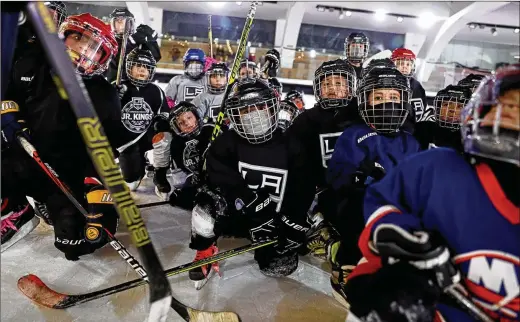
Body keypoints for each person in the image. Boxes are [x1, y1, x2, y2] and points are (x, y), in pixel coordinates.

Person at [344, 64, 519, 322]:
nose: (507, 113)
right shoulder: (437, 167)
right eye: (503, 105)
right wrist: (398, 232)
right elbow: (383, 201)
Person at [1, 13, 123, 259]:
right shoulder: (33, 64)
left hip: (67, 174)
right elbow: (8, 93)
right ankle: (16, 209)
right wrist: (8, 117)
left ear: (103, 58)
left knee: (74, 240)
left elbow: (103, 150)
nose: (82, 49)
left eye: (93, 47)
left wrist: (99, 196)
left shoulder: (106, 96)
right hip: (27, 154)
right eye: (77, 38)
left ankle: (55, 206)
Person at [188, 78, 315, 288]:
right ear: (235, 115)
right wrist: (248, 199)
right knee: (204, 209)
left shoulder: (292, 145)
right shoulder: (226, 142)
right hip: (238, 212)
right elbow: (219, 178)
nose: (254, 114)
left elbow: (302, 187)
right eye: (246, 110)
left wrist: (291, 221)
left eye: (260, 106)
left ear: (272, 107)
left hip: (272, 222)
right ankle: (205, 249)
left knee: (277, 267)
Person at [326, 66, 422, 307]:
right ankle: (347, 262)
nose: (386, 104)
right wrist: (359, 176)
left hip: (398, 208)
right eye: (378, 97)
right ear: (365, 102)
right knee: (356, 211)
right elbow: (337, 175)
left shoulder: (410, 141)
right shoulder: (354, 135)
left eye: (393, 97)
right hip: (363, 203)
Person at [115, 47, 169, 191]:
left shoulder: (156, 91)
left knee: (166, 137)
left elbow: (164, 114)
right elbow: (105, 113)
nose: (142, 70)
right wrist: (113, 98)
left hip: (148, 139)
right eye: (138, 66)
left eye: (146, 67)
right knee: (131, 184)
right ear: (129, 67)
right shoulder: (119, 86)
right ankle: (135, 165)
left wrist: (161, 123)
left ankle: (159, 170)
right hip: (127, 142)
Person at [152, 101, 214, 206]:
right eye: (181, 123)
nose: (187, 123)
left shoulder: (210, 129)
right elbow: (184, 166)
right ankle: (159, 176)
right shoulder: (177, 143)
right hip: (186, 174)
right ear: (176, 127)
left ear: (196, 116)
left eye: (189, 118)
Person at [106, 8, 161, 83]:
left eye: (123, 21)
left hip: (136, 84)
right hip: (114, 84)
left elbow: (155, 57)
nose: (120, 25)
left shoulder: (138, 41)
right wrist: (131, 41)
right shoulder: (109, 41)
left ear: (131, 23)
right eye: (117, 22)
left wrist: (151, 41)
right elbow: (116, 61)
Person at [424, 84, 472, 150]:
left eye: (459, 106)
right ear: (438, 109)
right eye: (446, 104)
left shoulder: (471, 139)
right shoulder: (423, 130)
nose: (452, 110)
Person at [390, 48, 428, 123]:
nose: (405, 67)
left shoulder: (417, 85)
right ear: (391, 65)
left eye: (408, 64)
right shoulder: (386, 83)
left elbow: (423, 106)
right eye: (400, 63)